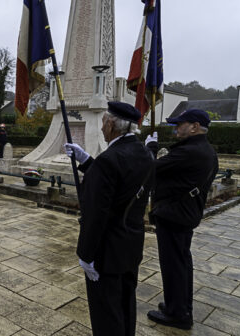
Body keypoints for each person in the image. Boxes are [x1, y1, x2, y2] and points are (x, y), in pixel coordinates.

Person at [64, 101, 154, 336]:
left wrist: (85, 254)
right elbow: (120, 185)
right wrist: (86, 162)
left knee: (106, 312)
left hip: (107, 249)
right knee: (125, 304)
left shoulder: (109, 159)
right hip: (130, 243)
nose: (102, 127)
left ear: (112, 125)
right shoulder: (144, 153)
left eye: (103, 121)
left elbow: (96, 213)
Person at [145, 109, 218, 330]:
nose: (176, 129)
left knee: (173, 265)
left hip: (174, 215)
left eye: (180, 124)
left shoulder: (190, 151)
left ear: (195, 127)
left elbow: (150, 169)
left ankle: (178, 314)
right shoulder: (205, 150)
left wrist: (150, 149)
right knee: (181, 263)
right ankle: (179, 306)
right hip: (185, 214)